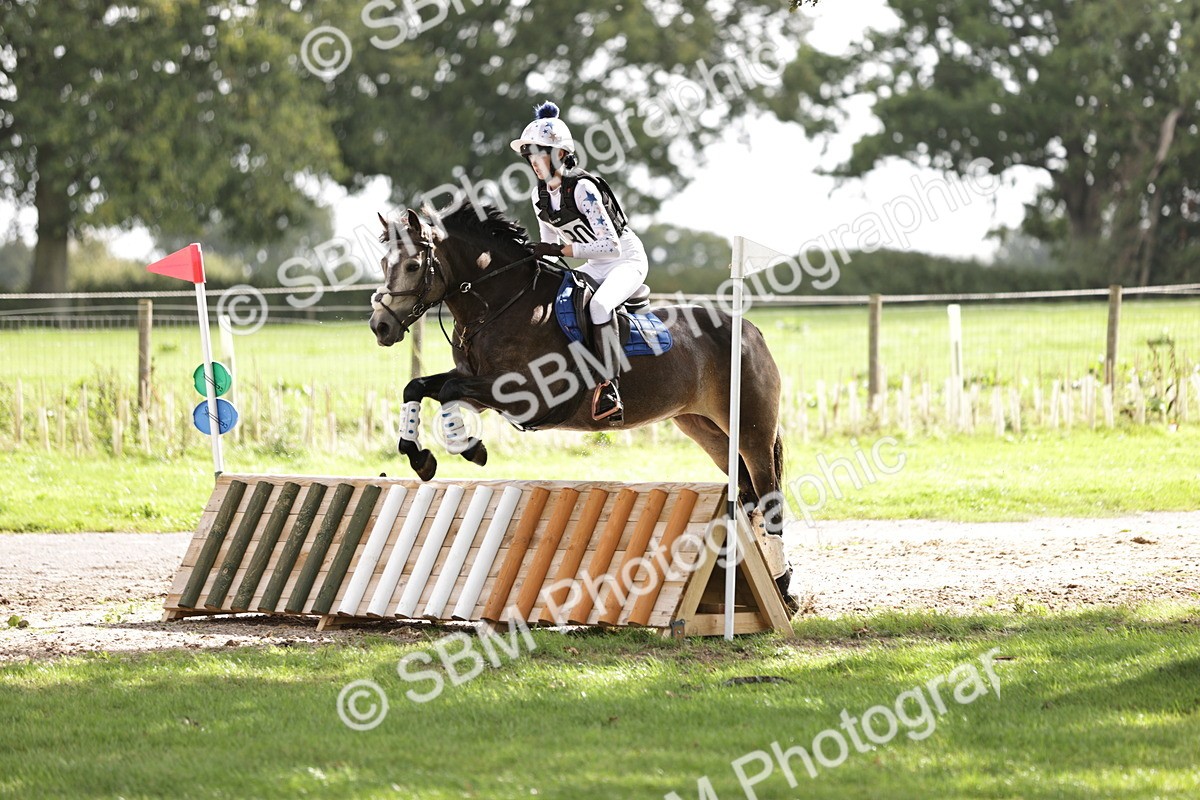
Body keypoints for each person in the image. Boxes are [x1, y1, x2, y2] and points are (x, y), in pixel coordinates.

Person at [509, 100, 649, 422]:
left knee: (599, 307)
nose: (533, 160)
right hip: (594, 263)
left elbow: (610, 247)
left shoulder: (584, 188)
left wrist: (562, 252)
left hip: (625, 260)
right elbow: (550, 244)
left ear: (559, 154)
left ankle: (610, 387)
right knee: (554, 301)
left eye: (539, 152)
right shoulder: (539, 195)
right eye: (528, 154)